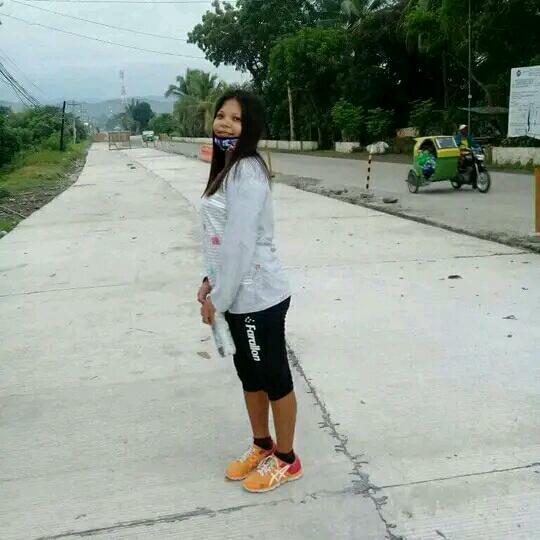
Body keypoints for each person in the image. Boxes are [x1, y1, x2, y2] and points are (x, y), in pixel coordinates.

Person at [197, 90, 302, 493]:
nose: (225, 124)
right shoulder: (227, 167)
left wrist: (217, 301)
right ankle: (262, 445)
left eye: (236, 119)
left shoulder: (248, 172)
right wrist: (209, 281)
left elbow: (241, 245)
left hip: (258, 296)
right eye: (221, 115)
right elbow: (220, 239)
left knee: (273, 376)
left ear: (250, 126)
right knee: (250, 376)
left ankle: (287, 460)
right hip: (233, 293)